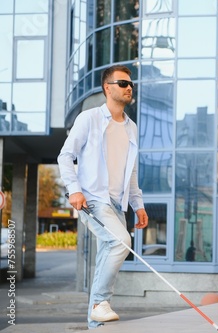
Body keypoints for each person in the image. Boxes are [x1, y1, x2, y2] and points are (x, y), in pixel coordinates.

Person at [58, 64, 148, 329]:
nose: (129, 87)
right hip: (93, 200)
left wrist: (138, 205)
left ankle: (95, 325)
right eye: (123, 83)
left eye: (131, 84)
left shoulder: (131, 128)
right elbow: (65, 156)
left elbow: (130, 172)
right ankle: (99, 303)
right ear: (107, 88)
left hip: (117, 205)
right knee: (121, 241)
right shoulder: (89, 119)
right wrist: (74, 189)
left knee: (105, 258)